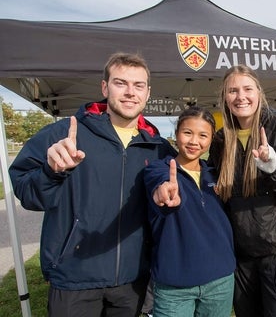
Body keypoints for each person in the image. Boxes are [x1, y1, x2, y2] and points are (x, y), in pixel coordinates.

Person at [8, 52, 177, 317]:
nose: (130, 92)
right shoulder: (65, 133)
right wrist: (50, 172)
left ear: (147, 93)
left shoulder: (159, 147)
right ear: (104, 87)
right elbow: (27, 193)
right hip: (74, 277)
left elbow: (164, 210)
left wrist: (168, 205)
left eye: (138, 85)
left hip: (133, 281)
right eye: (121, 83)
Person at [207, 65, 276, 317]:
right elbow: (216, 192)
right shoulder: (222, 140)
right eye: (232, 90)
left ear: (259, 92)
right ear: (225, 96)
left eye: (247, 89)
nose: (240, 96)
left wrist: (275, 168)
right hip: (241, 251)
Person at [144, 106, 236, 317]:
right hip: (174, 285)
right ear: (176, 134)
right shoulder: (158, 170)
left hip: (220, 281)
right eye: (188, 133)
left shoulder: (217, 175)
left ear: (211, 140)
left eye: (203, 135)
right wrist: (165, 193)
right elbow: (160, 188)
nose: (194, 141)